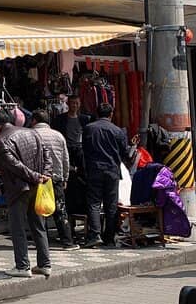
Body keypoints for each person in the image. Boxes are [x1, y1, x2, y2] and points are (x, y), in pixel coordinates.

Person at [0, 108, 53, 278]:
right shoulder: (32, 133)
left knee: (17, 227)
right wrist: (44, 175)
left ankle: (22, 266)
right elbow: (47, 154)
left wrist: (36, 176)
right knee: (38, 226)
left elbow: (14, 165)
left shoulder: (2, 140)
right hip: (37, 187)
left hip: (19, 189)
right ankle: (45, 264)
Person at [81, 103, 134, 248]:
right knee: (111, 205)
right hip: (112, 171)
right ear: (111, 114)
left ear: (97, 113)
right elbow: (125, 153)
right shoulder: (117, 131)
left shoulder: (88, 129)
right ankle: (109, 237)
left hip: (94, 170)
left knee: (94, 203)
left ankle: (95, 234)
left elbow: (83, 150)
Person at [32, 110, 78, 249]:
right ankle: (67, 241)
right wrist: (65, 177)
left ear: (34, 120)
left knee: (39, 211)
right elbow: (65, 158)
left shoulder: (31, 134)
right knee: (60, 210)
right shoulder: (58, 135)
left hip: (38, 178)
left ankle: (42, 242)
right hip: (56, 177)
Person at [52, 95, 91, 226]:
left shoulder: (85, 119)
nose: (75, 105)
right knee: (68, 174)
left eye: (77, 103)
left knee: (83, 176)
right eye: (72, 103)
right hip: (66, 149)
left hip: (80, 150)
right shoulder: (60, 119)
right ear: (68, 104)